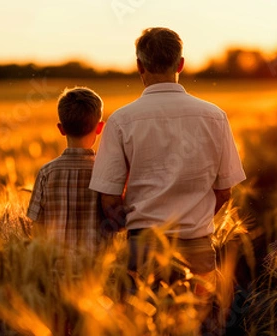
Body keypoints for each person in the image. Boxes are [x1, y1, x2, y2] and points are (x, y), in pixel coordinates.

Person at [89, 27, 246, 330]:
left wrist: (137, 222)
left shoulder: (121, 119)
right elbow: (224, 191)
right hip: (198, 246)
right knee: (202, 326)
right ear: (181, 65)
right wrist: (192, 220)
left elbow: (108, 200)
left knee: (145, 325)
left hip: (143, 250)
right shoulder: (214, 116)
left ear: (139, 66)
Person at [27, 86, 106, 262]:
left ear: (61, 128)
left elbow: (36, 229)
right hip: (97, 271)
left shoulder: (47, 172)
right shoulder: (105, 171)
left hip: (55, 268)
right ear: (100, 127)